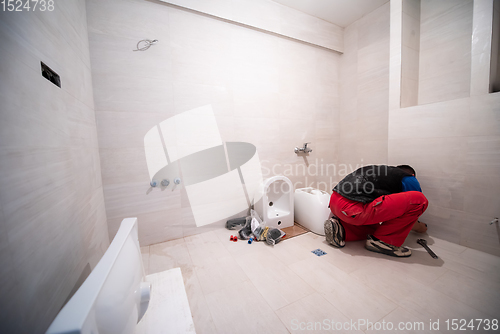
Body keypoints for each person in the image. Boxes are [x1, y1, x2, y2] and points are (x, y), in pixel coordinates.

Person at [325, 165, 428, 257]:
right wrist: (420, 228)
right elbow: (412, 209)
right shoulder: (409, 178)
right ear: (412, 175)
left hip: (335, 203)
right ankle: (384, 242)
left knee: (377, 230)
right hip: (352, 208)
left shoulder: (382, 174)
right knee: (420, 200)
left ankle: (342, 230)